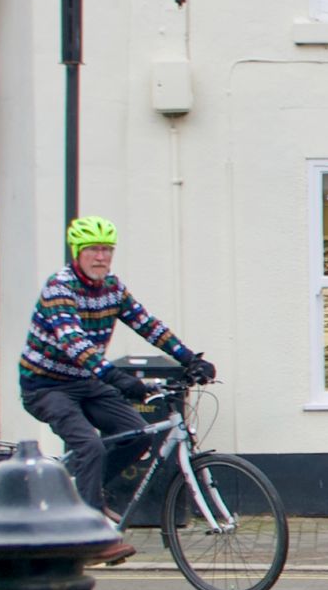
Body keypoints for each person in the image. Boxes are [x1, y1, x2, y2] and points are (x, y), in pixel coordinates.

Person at [19, 216, 215, 565]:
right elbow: (73, 342)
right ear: (77, 253)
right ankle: (92, 532)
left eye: (107, 250)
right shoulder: (59, 288)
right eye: (93, 249)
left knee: (137, 435)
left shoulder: (112, 288)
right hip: (46, 385)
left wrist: (189, 358)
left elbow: (147, 324)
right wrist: (118, 378)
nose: (101, 257)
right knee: (90, 445)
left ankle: (80, 495)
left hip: (86, 381)